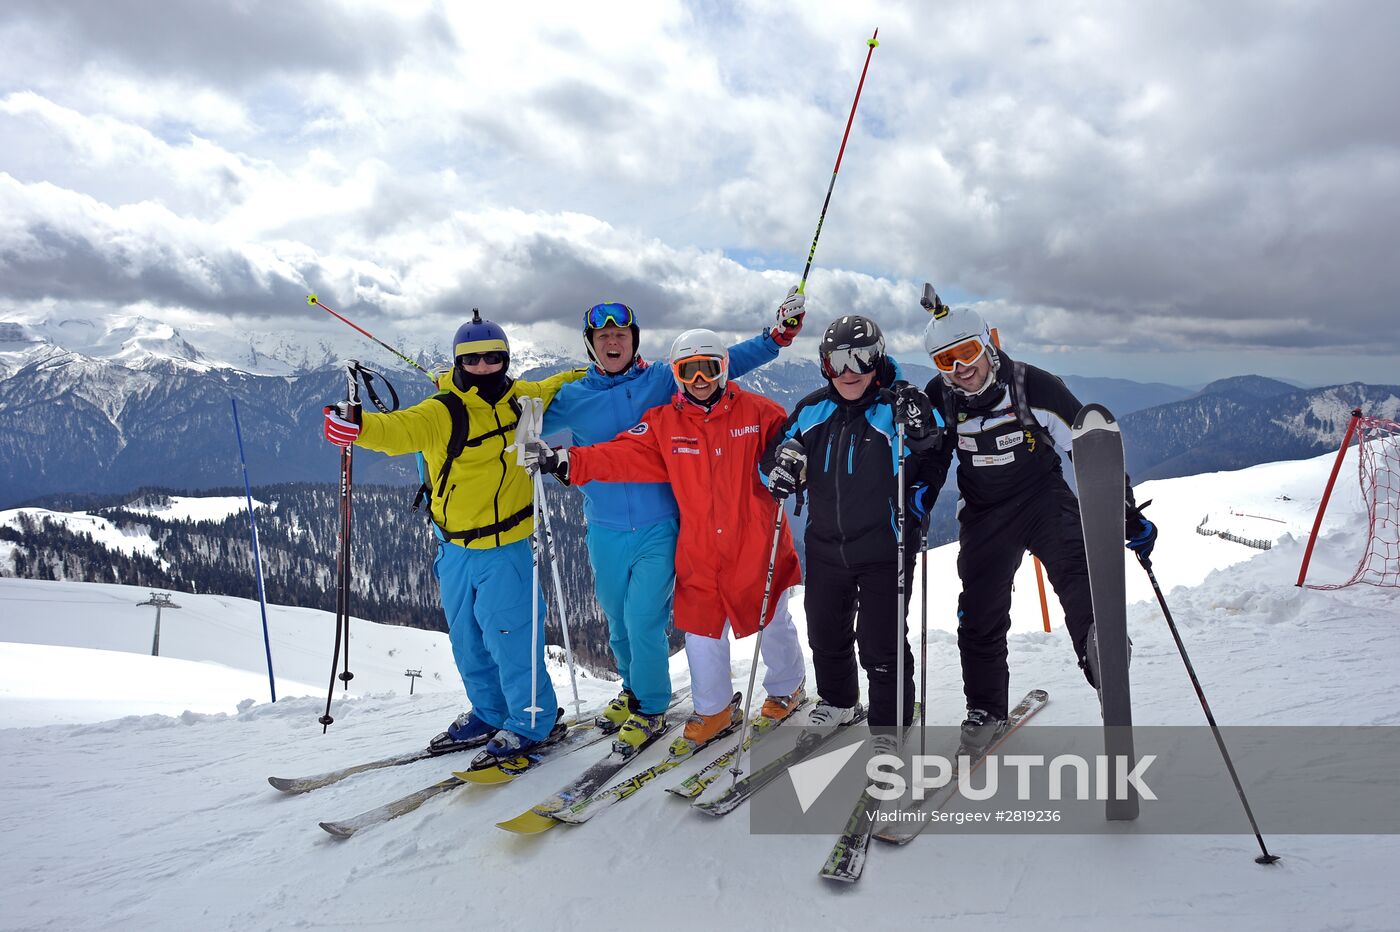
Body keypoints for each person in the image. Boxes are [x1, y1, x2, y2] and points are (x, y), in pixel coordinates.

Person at [540, 296, 805, 746]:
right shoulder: (659, 421)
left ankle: (785, 687)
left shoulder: (756, 410)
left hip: (744, 538)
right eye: (688, 372)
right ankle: (711, 707)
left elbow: (792, 439)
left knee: (769, 616)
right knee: (693, 628)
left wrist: (794, 459)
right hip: (685, 543)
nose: (699, 380)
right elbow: (624, 452)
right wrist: (568, 461)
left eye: (707, 369)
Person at [321, 310, 586, 758]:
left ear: (506, 359)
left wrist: (595, 368)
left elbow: (558, 382)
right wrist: (357, 426)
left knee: (513, 638)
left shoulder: (525, 399)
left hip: (508, 547)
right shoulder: (443, 411)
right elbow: (398, 430)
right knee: (467, 642)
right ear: (459, 363)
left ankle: (533, 720)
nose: (483, 367)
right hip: (454, 549)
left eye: (493, 358)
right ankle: (491, 712)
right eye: (473, 359)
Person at [918, 304, 1157, 751]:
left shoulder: (1035, 386)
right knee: (979, 609)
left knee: (1077, 571)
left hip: (1042, 498)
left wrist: (1124, 514)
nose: (961, 369)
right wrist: (918, 499)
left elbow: (1089, 450)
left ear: (989, 343)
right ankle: (985, 709)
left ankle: (1100, 653)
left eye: (968, 352)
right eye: (946, 361)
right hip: (985, 511)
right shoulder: (942, 396)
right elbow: (932, 456)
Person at [760, 316, 942, 738]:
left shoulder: (898, 409)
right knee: (824, 631)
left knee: (881, 643)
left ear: (877, 360)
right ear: (824, 365)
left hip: (886, 546)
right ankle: (840, 701)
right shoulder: (812, 410)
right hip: (825, 545)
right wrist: (782, 471)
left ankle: (890, 722)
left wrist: (921, 492)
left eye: (860, 359)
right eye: (837, 362)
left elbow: (934, 451)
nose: (849, 372)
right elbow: (772, 458)